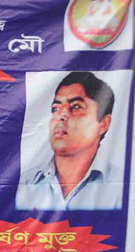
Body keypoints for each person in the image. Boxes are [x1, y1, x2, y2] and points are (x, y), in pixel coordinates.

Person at [17, 71, 122, 211]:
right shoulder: (23, 184)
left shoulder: (123, 187)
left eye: (76, 106)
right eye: (56, 108)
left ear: (103, 124)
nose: (61, 115)